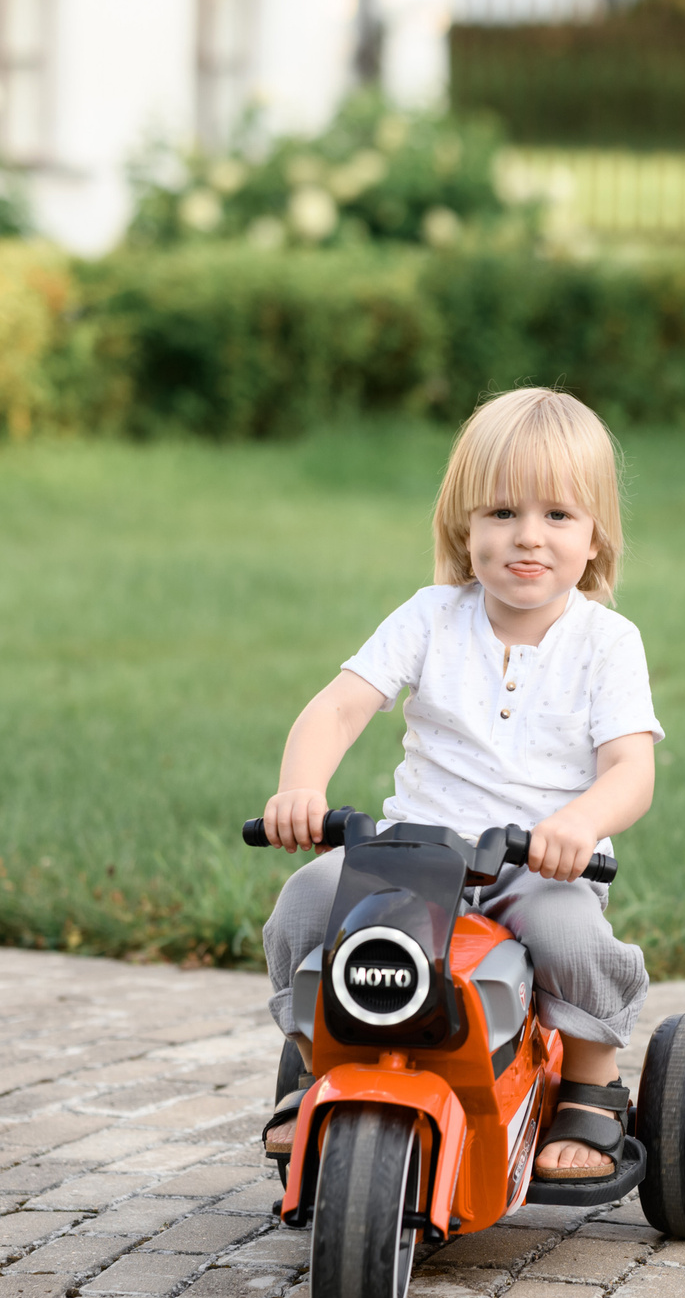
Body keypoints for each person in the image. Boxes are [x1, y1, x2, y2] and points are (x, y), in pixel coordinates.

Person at [255, 387, 659, 1185]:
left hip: (536, 868)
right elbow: (338, 708)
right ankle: (316, 1061)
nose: (527, 536)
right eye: (502, 513)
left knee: (570, 938)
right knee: (306, 903)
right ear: (463, 527)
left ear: (595, 537)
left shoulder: (606, 643)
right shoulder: (432, 617)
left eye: (557, 515)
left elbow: (630, 769)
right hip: (412, 857)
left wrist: (578, 825)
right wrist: (300, 787)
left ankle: (592, 1080)